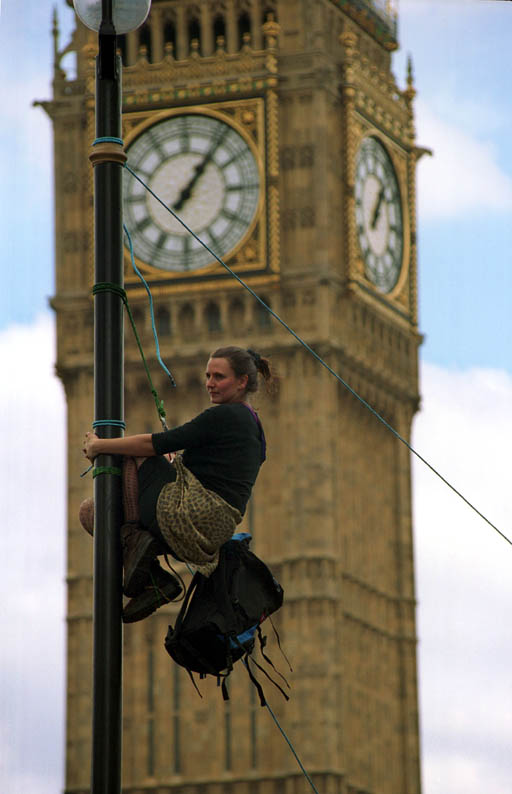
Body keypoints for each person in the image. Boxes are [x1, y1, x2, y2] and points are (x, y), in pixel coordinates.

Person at [81, 346, 273, 623]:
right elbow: (219, 472)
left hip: (189, 516)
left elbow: (153, 444)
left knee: (132, 455)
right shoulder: (254, 428)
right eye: (208, 375)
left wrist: (100, 445)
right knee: (92, 513)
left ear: (242, 381)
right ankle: (154, 577)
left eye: (219, 377)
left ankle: (137, 547)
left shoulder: (226, 416)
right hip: (206, 539)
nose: (210, 383)